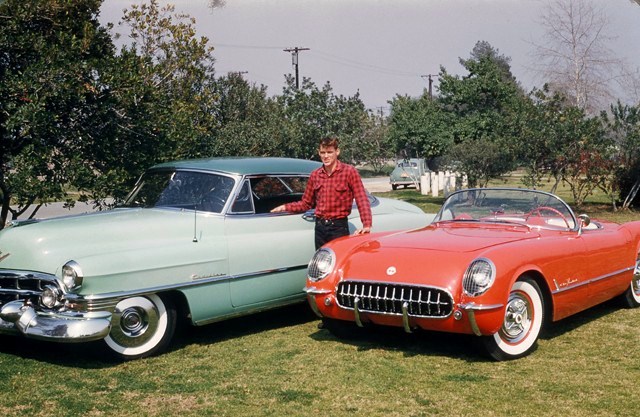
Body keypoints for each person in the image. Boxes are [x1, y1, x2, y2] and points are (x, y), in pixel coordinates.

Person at [271, 137, 372, 249]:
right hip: (320, 228)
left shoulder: (349, 172)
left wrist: (366, 224)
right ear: (319, 153)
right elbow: (306, 203)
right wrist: (285, 207)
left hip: (338, 227)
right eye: (323, 152)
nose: (326, 156)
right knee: (321, 263)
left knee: (338, 262)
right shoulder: (315, 175)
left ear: (337, 152)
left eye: (329, 152)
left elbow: (361, 198)